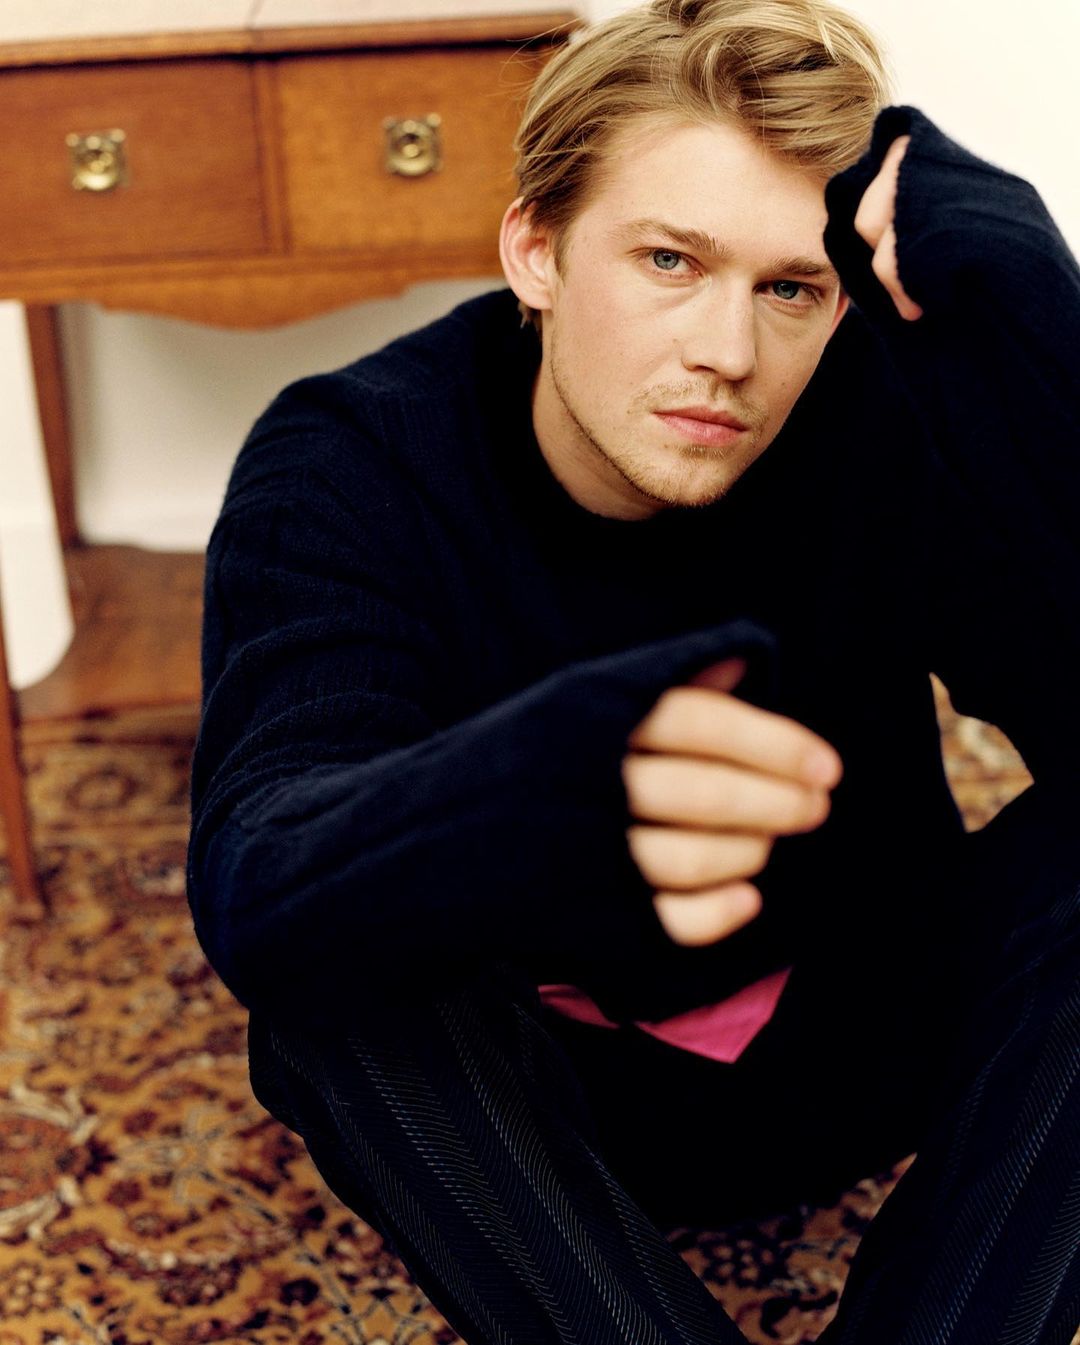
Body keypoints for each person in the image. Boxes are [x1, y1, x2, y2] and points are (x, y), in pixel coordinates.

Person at [186, 0, 1080, 1339]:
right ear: (535, 249)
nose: (729, 353)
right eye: (671, 260)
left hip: (870, 1030)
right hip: (565, 1118)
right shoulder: (351, 461)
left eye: (790, 289)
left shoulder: (882, 410)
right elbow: (253, 876)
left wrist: (1054, 374)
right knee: (330, 976)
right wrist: (507, 798)